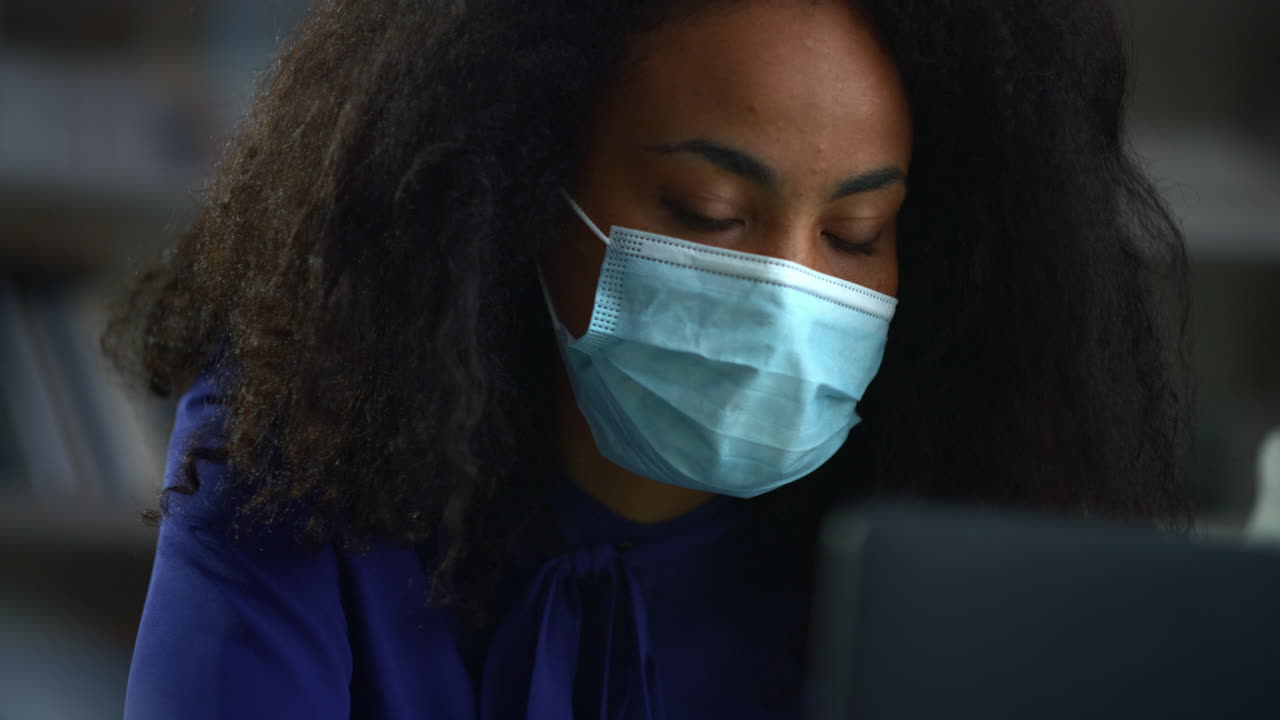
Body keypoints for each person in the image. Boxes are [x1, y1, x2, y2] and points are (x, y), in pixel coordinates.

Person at [110, 0, 1193, 718]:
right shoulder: (306, 427)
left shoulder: (969, 514)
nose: (786, 290)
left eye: (855, 235)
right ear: (519, 177)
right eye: (708, 213)